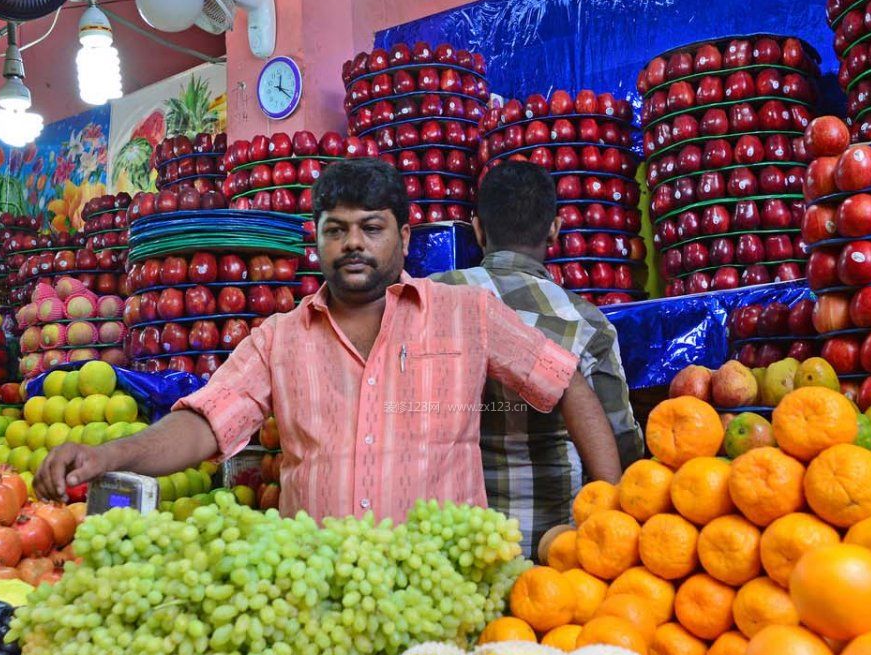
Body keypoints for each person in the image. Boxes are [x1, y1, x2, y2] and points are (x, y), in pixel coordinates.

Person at [34, 159, 624, 526]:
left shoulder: (465, 313)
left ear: (403, 235)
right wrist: (107, 457)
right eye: (336, 230)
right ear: (315, 240)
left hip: (441, 589)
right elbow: (205, 424)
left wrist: (611, 508)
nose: (353, 244)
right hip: (318, 596)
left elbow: (563, 379)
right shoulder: (280, 339)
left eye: (372, 228)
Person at [435, 161, 644, 555]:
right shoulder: (587, 323)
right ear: (555, 229)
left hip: (454, 549)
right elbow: (621, 444)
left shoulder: (433, 298)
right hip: (557, 552)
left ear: (478, 229)